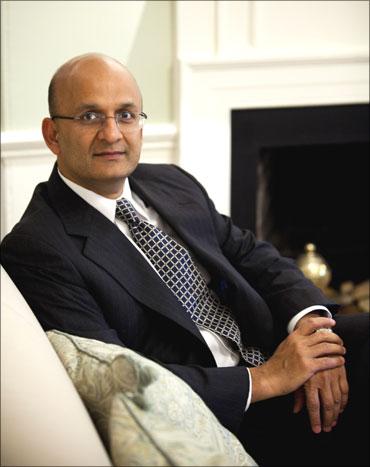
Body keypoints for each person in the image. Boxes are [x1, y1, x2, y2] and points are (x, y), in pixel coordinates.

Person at [1, 53, 368, 466]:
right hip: (228, 413)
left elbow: (252, 253)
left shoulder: (170, 181)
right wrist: (268, 378)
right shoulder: (37, 249)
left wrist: (315, 335)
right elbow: (127, 379)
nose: (111, 133)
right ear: (52, 135)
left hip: (276, 350)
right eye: (89, 116)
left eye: (125, 114)